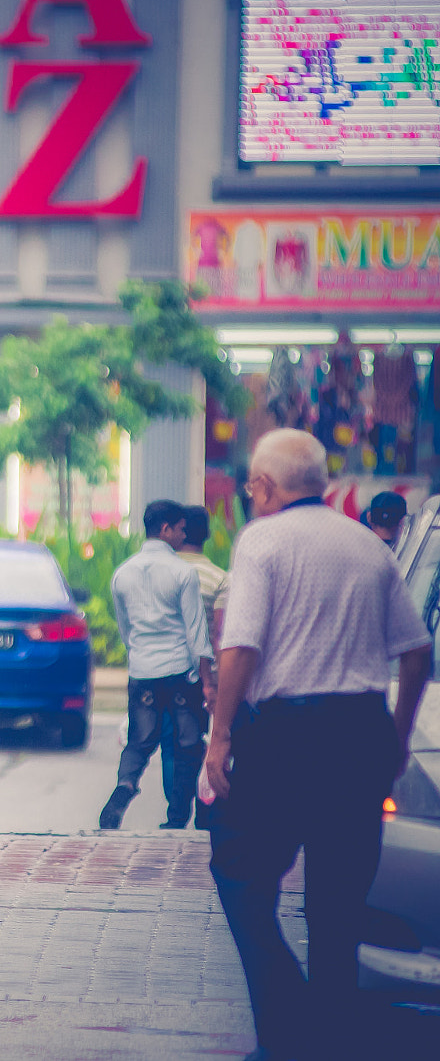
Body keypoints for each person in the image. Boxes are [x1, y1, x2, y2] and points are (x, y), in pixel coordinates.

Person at [205, 429, 430, 1061]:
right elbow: (416, 653)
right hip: (360, 734)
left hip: (285, 736)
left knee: (241, 876)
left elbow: (240, 647)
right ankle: (327, 1041)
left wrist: (219, 739)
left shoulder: (263, 540)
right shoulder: (367, 544)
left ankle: (286, 1033)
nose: (252, 496)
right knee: (337, 905)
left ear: (267, 486)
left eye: (252, 486)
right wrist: (396, 739)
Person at [99, 499, 214, 831]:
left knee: (140, 741)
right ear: (165, 529)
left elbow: (126, 629)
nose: (182, 534)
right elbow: (196, 633)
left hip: (142, 671)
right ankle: (177, 815)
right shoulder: (182, 573)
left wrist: (139, 657)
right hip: (180, 673)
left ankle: (124, 787)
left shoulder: (123, 574)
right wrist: (207, 681)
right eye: (179, 528)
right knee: (187, 744)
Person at [163, 504, 229, 830]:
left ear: (180, 531)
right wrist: (216, 682)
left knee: (172, 744)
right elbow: (220, 636)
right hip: (204, 679)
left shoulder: (159, 573)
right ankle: (204, 815)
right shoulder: (219, 578)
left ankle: (175, 813)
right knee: (205, 742)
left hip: (162, 672)